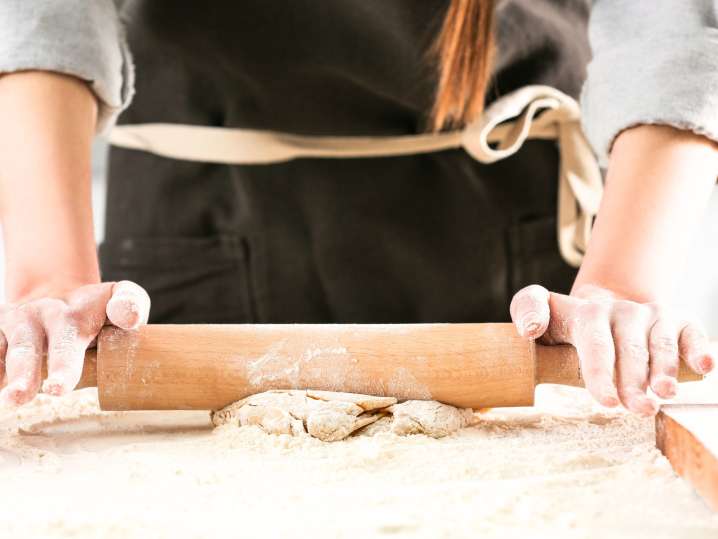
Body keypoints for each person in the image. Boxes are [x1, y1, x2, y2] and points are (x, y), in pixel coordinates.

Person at [0, 0, 716, 416]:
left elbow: (676, 22)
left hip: (517, 245)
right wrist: (51, 279)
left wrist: (623, 281)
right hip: (197, 226)